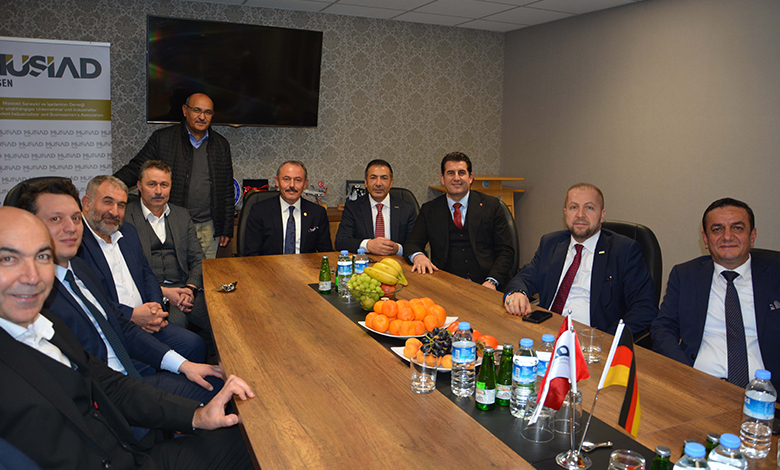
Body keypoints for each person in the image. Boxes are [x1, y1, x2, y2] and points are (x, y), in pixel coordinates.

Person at [0, 206, 255, 470]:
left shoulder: (47, 324)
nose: (32, 277)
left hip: (129, 451)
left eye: (42, 256)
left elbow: (109, 384)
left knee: (245, 437)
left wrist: (197, 416)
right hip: (120, 453)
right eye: (8, 259)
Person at [16, 178, 222, 404]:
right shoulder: (34, 294)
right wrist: (134, 316)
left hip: (126, 353)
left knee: (202, 362)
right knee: (218, 392)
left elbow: (143, 277)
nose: (71, 227)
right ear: (87, 204)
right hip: (109, 390)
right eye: (56, 219)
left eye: (74, 219)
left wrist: (182, 362)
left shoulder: (80, 268)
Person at [651, 198, 780, 392]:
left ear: (752, 236)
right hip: (697, 386)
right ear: (705, 239)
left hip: (764, 393)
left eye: (737, 228)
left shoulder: (776, 275)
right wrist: (683, 372)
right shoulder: (685, 275)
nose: (727, 237)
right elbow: (663, 327)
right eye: (717, 229)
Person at [78, 175, 207, 364]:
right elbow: (87, 298)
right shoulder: (76, 243)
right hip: (115, 327)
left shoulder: (127, 232)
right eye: (107, 202)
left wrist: (155, 307)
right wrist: (132, 316)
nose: (114, 212)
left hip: (147, 317)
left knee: (195, 345)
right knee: (162, 361)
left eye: (121, 205)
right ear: (87, 203)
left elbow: (146, 274)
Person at [503, 183, 657, 336]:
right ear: (565, 213)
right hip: (546, 330)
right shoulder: (551, 243)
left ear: (602, 215)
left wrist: (608, 339)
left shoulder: (623, 250)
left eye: (589, 207)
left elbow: (645, 307)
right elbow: (525, 277)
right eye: (573, 207)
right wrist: (517, 293)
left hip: (591, 338)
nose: (580, 215)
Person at [114, 93, 234, 259]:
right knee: (174, 269)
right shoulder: (163, 139)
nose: (202, 117)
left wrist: (226, 227)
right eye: (197, 110)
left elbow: (227, 189)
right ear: (185, 110)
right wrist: (110, 187)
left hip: (208, 226)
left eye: (207, 112)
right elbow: (136, 168)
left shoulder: (221, 145)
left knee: (204, 272)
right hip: (172, 224)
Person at [403, 152, 514, 290]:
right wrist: (418, 256)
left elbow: (506, 251)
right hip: (446, 284)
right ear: (442, 179)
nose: (456, 178)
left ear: (470, 178)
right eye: (450, 173)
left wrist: (492, 281)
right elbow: (412, 243)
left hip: (488, 283)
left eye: (461, 173)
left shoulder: (492, 206)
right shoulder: (429, 210)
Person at [124, 160, 209, 337]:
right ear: (139, 186)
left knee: (221, 315)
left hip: (184, 289)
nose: (158, 191)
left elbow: (198, 258)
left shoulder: (182, 215)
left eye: (164, 185)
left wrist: (191, 289)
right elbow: (124, 269)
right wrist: (164, 292)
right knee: (178, 324)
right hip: (150, 294)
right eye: (151, 184)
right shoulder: (125, 217)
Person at [244, 160, 332, 256]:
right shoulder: (259, 211)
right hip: (269, 265)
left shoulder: (317, 213)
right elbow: (252, 254)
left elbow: (326, 253)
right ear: (277, 181)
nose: (292, 185)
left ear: (305, 184)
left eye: (298, 180)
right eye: (286, 179)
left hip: (306, 265)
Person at [334, 159, 417, 255]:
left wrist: (398, 249)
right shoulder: (352, 208)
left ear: (391, 183)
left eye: (384, 178)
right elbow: (341, 241)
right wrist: (368, 245)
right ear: (366, 182)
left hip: (396, 261)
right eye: (373, 178)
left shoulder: (407, 209)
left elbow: (415, 244)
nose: (378, 183)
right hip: (365, 262)